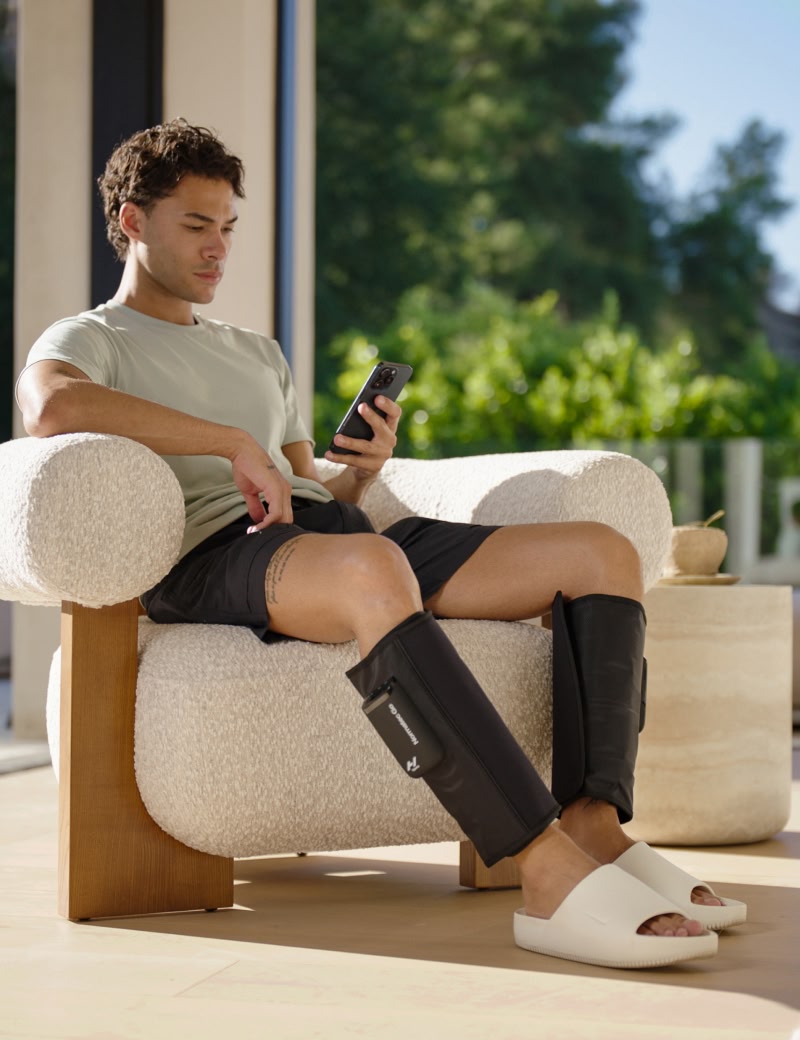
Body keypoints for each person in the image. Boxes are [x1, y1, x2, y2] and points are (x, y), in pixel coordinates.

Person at [16, 119, 745, 969]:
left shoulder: (256, 353)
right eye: (196, 225)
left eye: (229, 227)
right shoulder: (92, 338)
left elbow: (310, 486)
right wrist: (228, 442)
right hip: (213, 554)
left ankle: (596, 826)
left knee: (603, 553)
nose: (219, 248)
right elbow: (50, 408)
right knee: (373, 565)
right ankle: (544, 871)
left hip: (333, 540)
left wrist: (360, 472)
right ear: (134, 221)